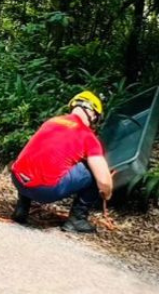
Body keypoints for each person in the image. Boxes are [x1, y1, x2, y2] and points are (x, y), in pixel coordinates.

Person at [10, 91, 114, 234]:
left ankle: (22, 208)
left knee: (33, 159)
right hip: (44, 191)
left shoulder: (51, 121)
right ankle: (77, 220)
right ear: (93, 114)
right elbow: (104, 180)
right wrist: (107, 194)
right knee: (92, 172)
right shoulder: (88, 136)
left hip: (17, 180)